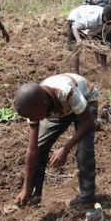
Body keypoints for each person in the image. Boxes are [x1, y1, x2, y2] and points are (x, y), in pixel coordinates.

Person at [13, 74, 99, 208]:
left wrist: (65, 148)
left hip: (85, 103)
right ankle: (33, 197)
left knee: (84, 151)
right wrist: (26, 188)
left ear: (44, 105)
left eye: (33, 116)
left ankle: (88, 200)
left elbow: (88, 121)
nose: (32, 119)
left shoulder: (65, 92)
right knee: (41, 146)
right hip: (59, 109)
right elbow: (32, 149)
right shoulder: (36, 105)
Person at [66, 4, 111, 74]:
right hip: (76, 18)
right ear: (103, 16)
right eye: (108, 20)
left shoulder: (110, 21)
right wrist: (79, 40)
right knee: (76, 48)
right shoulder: (92, 20)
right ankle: (76, 73)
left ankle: (104, 68)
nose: (110, 22)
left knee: (102, 46)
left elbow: (101, 37)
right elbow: (75, 27)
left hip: (91, 22)